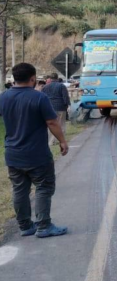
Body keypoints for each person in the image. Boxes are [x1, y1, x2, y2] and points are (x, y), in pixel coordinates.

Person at [0, 63, 69, 238]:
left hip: (12, 153)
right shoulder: (39, 98)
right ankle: (44, 226)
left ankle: (25, 226)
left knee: (19, 189)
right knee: (43, 187)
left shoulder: (4, 97)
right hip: (36, 154)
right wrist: (62, 141)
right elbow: (52, 122)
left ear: (14, 78)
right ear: (32, 78)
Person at [42, 73, 70, 146]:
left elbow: (42, 97)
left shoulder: (45, 87)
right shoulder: (61, 86)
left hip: (49, 107)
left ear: (50, 79)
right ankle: (61, 140)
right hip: (61, 107)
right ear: (57, 78)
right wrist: (67, 105)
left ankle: (51, 141)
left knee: (51, 124)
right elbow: (65, 97)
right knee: (61, 124)